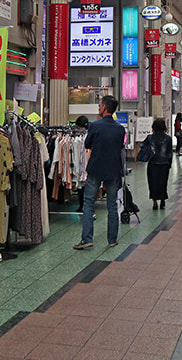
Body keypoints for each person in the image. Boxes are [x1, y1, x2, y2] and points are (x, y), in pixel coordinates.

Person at [74, 95, 125, 250]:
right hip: (113, 170)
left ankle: (87, 239)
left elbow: (88, 144)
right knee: (112, 205)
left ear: (104, 107)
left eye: (100, 105)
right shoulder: (120, 129)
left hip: (96, 169)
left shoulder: (95, 126)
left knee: (88, 203)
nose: (98, 107)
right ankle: (112, 239)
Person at [144, 118, 172, 209]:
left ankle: (154, 202)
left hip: (153, 163)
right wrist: (169, 164)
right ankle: (163, 201)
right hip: (164, 163)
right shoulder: (168, 138)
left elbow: (142, 146)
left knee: (153, 183)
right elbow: (169, 153)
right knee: (163, 182)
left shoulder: (150, 138)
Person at [74, 115, 90, 213]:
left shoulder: (81, 138)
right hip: (88, 166)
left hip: (83, 166)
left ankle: (83, 206)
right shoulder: (89, 135)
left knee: (82, 188)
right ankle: (85, 206)